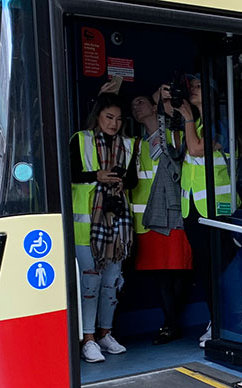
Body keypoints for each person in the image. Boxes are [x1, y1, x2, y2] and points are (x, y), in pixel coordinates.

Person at [70, 93, 139, 363]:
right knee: (91, 280)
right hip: (85, 225)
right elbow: (69, 173)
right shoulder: (81, 139)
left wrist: (122, 182)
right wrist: (96, 176)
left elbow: (133, 180)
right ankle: (87, 339)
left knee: (112, 281)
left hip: (117, 224)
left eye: (119, 119)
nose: (114, 124)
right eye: (109, 117)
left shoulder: (129, 145)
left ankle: (105, 334)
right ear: (98, 116)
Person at [131, 90, 193, 345]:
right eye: (133, 104)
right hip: (146, 220)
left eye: (141, 100)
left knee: (180, 271)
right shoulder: (134, 143)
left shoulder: (172, 134)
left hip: (174, 212)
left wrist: (159, 99)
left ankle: (172, 323)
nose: (137, 106)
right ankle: (171, 323)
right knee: (161, 275)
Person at [177, 74, 235, 347]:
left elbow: (197, 149)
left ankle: (220, 322)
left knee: (216, 268)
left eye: (200, 87)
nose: (193, 91)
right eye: (192, 88)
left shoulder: (218, 121)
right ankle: (217, 319)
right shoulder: (197, 121)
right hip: (193, 207)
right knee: (204, 268)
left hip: (216, 209)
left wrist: (188, 119)